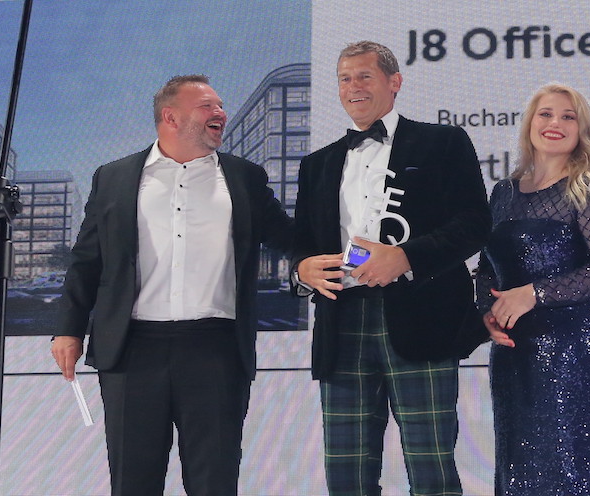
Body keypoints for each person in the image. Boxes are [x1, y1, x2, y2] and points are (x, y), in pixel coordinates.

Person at [50, 75, 292, 496]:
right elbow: (87, 259)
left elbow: (289, 238)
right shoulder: (113, 177)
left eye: (221, 105)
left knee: (215, 482)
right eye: (207, 106)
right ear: (171, 117)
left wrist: (333, 254)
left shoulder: (245, 178)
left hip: (215, 347)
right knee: (133, 483)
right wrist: (68, 328)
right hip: (131, 349)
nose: (220, 113)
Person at [291, 40, 490, 496]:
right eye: (345, 78)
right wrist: (302, 271)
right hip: (341, 322)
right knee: (346, 475)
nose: (353, 87)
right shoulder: (316, 164)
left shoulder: (442, 143)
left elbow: (475, 224)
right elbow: (301, 245)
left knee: (431, 468)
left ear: (394, 82)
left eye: (365, 76)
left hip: (421, 318)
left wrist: (406, 257)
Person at [477, 83, 590, 496]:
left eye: (568, 116)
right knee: (517, 467)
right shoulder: (503, 193)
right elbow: (485, 269)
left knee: (570, 467)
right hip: (513, 350)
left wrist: (534, 293)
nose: (555, 123)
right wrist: (486, 315)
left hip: (573, 350)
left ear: (582, 129)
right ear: (530, 123)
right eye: (546, 114)